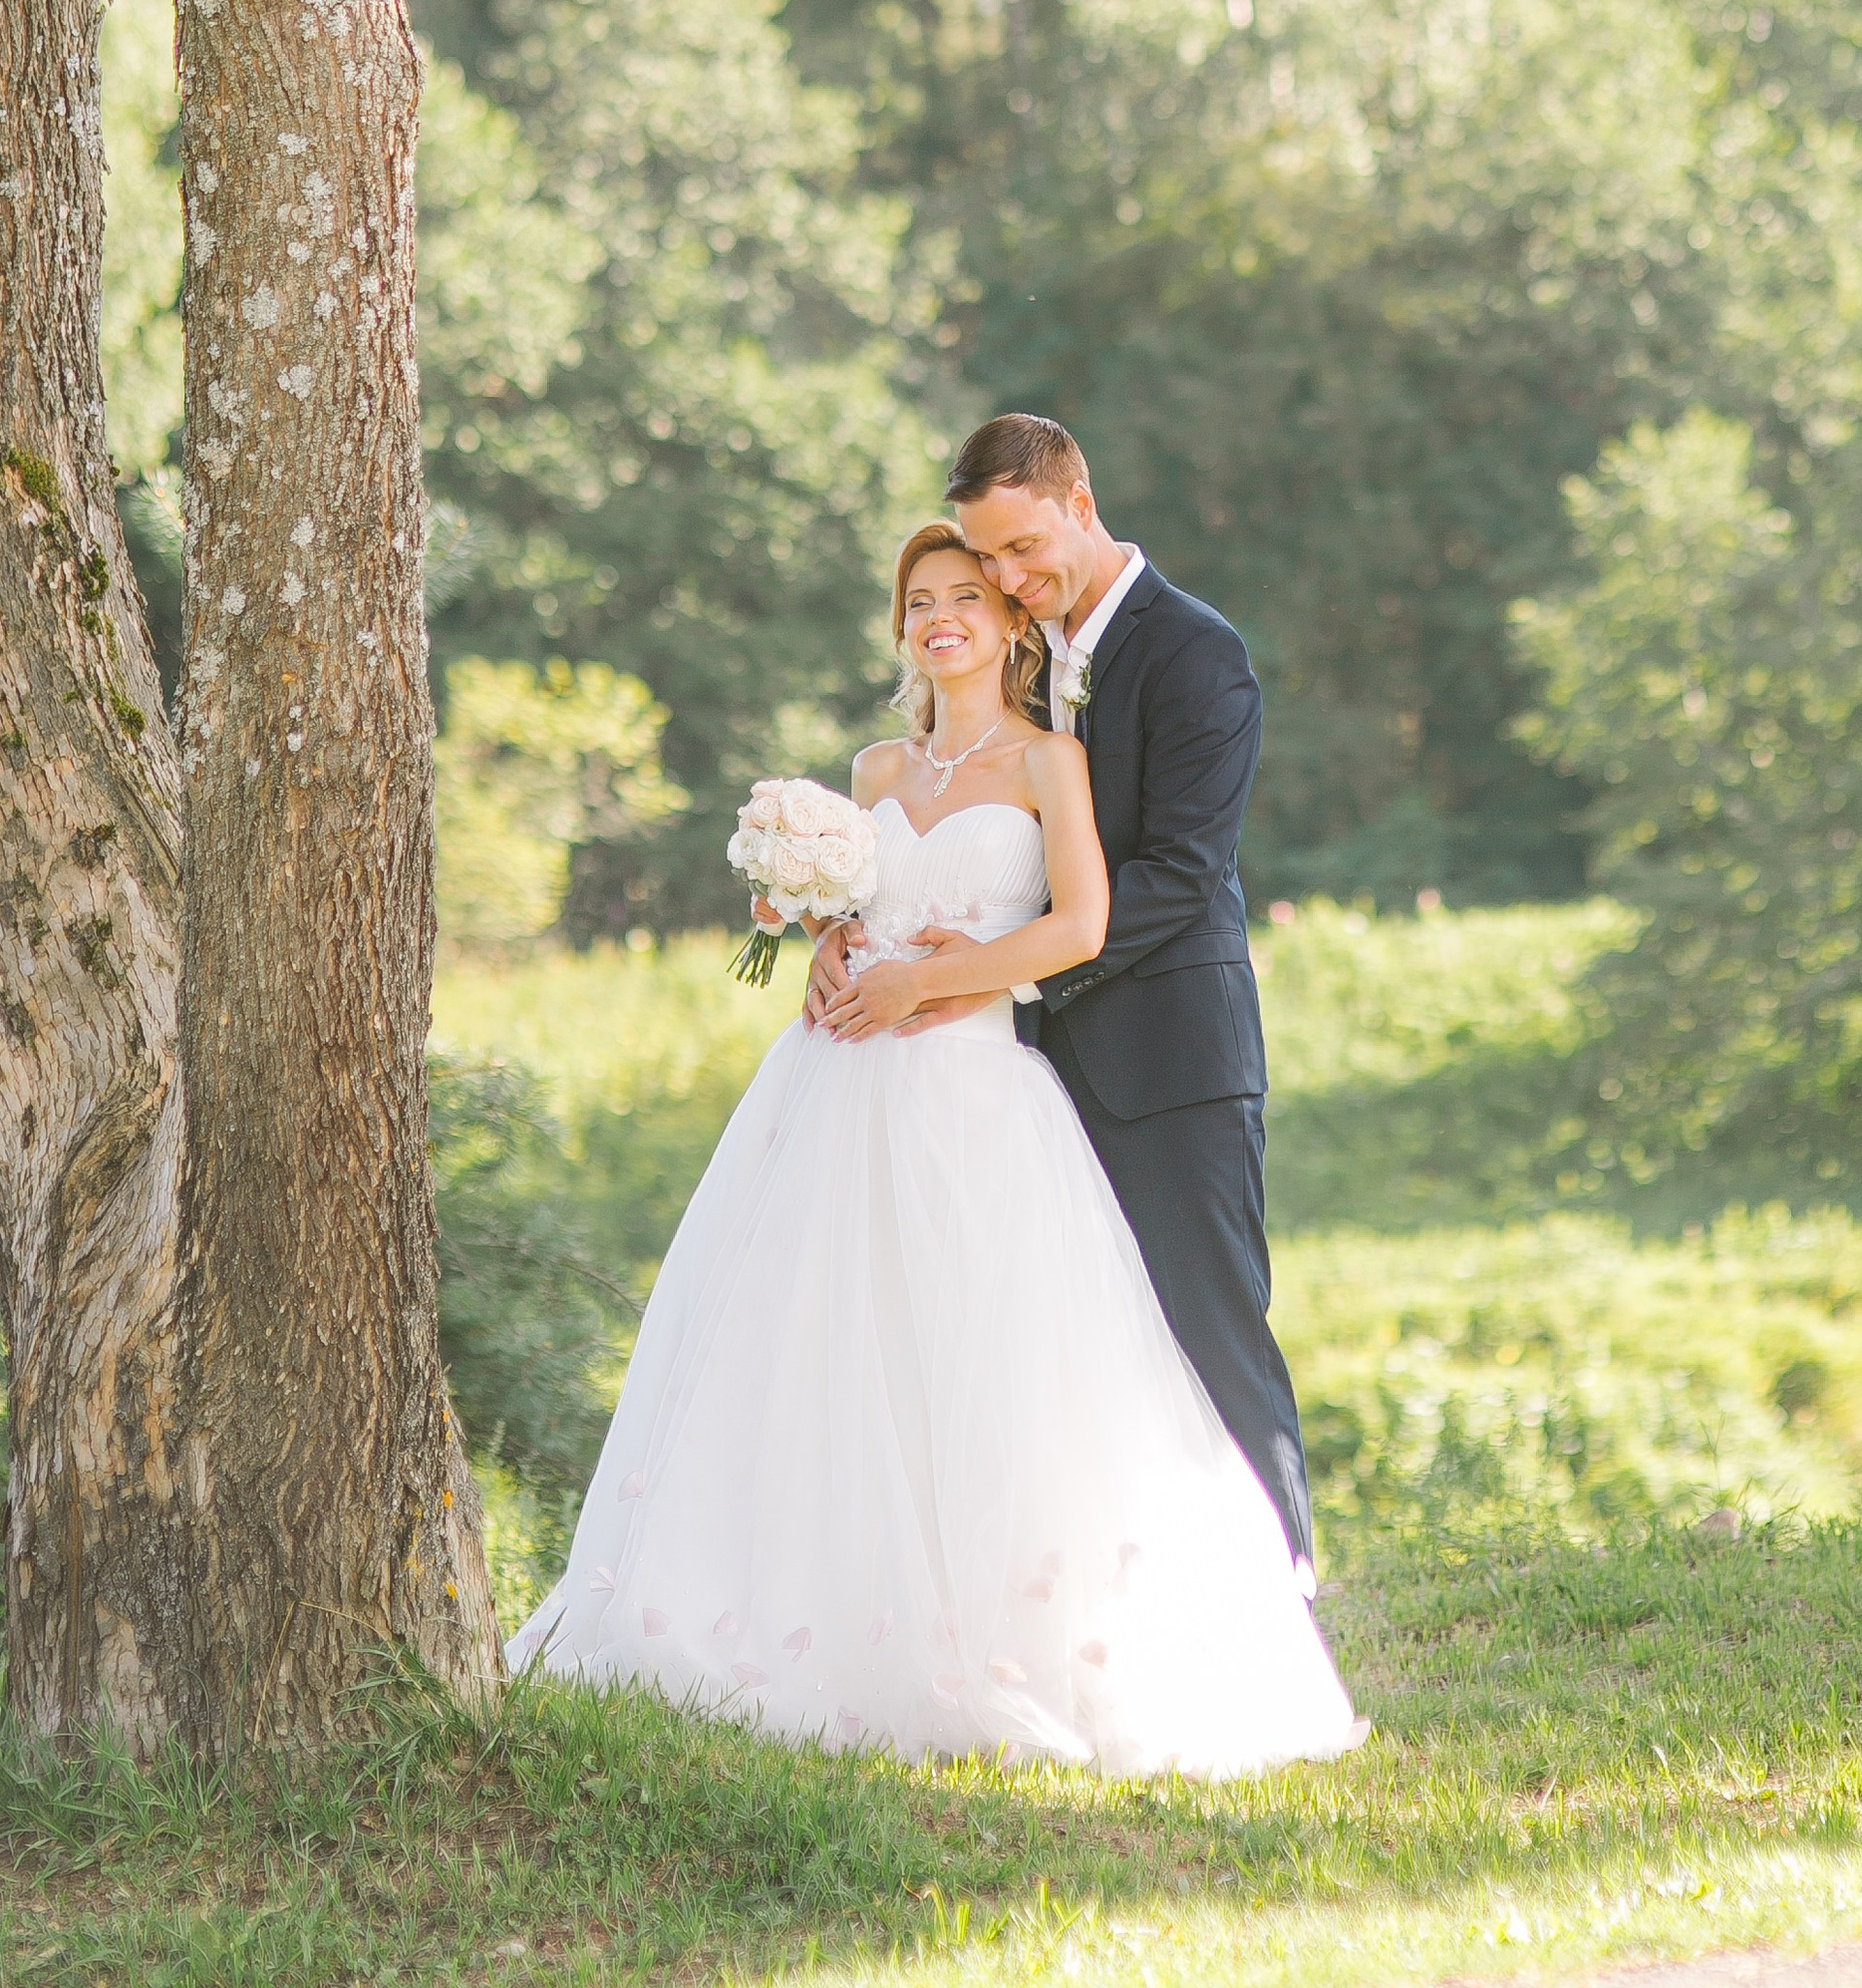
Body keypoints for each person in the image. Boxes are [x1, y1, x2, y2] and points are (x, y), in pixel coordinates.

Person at [506, 522, 1358, 1776]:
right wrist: (829, 951)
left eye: (967, 596)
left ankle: (1004, 1632)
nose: (941, 618)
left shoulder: (1050, 764)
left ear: (1013, 625)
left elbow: (1081, 923)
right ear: (900, 626)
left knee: (984, 1349)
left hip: (968, 1084)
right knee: (817, 1342)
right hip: (834, 1088)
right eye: (920, 602)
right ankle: (802, 1608)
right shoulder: (870, 772)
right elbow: (857, 912)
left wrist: (945, 988)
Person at [814, 414, 1313, 1581]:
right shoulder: (1021, 650)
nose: (1011, 581)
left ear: (1081, 504)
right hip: (1013, 1067)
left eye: (1029, 551)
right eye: (989, 565)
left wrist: (992, 962)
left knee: (1209, 1326)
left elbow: (1184, 875)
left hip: (1168, 1063)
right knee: (1072, 1343)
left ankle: (1282, 1585)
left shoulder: (1196, 655)